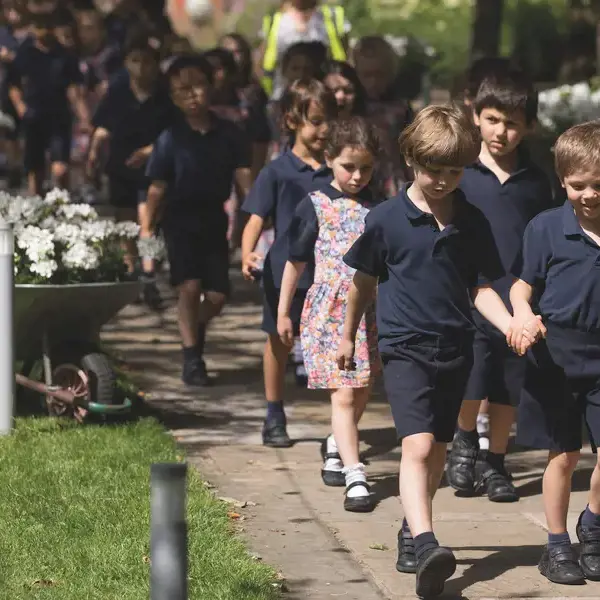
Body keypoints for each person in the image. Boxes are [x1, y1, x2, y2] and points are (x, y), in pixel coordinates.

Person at [337, 104, 544, 597]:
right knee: (418, 446)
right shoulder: (386, 219)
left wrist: (514, 323)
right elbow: (361, 284)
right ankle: (429, 543)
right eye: (434, 169)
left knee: (439, 456)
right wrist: (348, 335)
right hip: (405, 346)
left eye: (454, 171)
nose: (444, 180)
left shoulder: (470, 220)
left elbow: (481, 289)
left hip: (458, 347)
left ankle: (413, 529)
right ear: (411, 159)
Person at [445, 68, 554, 503]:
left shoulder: (536, 179)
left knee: (510, 381)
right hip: (471, 291)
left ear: (527, 125)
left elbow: (543, 234)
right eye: (492, 119)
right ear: (475, 115)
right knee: (473, 374)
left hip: (518, 294)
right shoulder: (462, 174)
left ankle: (496, 463)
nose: (501, 132)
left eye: (512, 123)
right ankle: (465, 438)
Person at [509, 121, 600, 585]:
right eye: (577, 185)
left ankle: (594, 524)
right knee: (563, 455)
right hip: (558, 356)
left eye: (598, 186)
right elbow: (521, 288)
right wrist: (522, 317)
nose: (588, 195)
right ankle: (557, 543)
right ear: (562, 181)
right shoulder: (546, 227)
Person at [278, 116, 381, 511]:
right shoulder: (315, 204)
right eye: (348, 166)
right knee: (342, 391)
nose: (357, 176)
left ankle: (338, 443)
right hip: (329, 310)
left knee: (363, 387)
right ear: (329, 159)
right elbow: (295, 262)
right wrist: (284, 312)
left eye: (366, 168)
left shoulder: (378, 207)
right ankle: (355, 473)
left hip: (368, 309)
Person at [143, 54, 253, 386]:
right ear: (173, 97)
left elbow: (245, 181)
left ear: (211, 87)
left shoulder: (229, 134)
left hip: (214, 220)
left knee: (218, 295)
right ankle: (193, 359)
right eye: (181, 90)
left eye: (198, 86)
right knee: (189, 287)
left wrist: (255, 216)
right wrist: (147, 232)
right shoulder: (169, 138)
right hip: (179, 219)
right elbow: (156, 189)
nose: (192, 95)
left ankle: (191, 325)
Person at [241, 79, 336, 448]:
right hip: (284, 273)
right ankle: (274, 412)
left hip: (329, 274)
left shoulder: (338, 171)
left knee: (330, 347)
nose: (323, 130)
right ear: (292, 120)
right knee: (278, 342)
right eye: (315, 121)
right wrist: (248, 252)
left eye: (329, 120)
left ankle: (338, 423)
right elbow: (254, 218)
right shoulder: (277, 171)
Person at [87, 29, 173, 283]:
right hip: (121, 165)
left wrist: (150, 151)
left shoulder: (166, 97)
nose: (141, 68)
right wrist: (93, 153)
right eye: (135, 61)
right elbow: (103, 126)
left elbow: (174, 134)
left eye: (147, 61)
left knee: (148, 222)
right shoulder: (118, 92)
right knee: (126, 223)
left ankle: (148, 273)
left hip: (154, 169)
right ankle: (131, 269)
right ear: (126, 63)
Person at [7, 10, 90, 195]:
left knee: (60, 169)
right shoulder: (25, 52)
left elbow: (74, 88)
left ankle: (62, 204)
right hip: (33, 116)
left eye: (46, 27)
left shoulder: (65, 55)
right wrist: (21, 107)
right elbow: (13, 84)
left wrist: (83, 117)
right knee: (35, 170)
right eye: (38, 27)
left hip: (58, 117)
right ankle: (36, 210)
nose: (42, 32)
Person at [352, 35, 412, 196]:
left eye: (379, 75)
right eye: (367, 75)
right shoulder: (351, 106)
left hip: (391, 181)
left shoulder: (400, 108)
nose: (373, 82)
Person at [258, 0, 349, 99]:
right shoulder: (274, 19)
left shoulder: (332, 17)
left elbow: (345, 57)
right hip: (283, 96)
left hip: (324, 96)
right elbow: (263, 63)